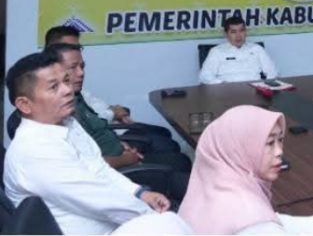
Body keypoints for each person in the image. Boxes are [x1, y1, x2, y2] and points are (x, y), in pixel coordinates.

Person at [3, 50, 180, 234]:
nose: (68, 90)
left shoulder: (67, 122)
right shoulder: (34, 150)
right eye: (54, 87)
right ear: (25, 104)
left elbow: (99, 169)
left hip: (113, 223)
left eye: (66, 81)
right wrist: (152, 216)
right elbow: (101, 201)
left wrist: (140, 193)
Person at [179, 105, 313, 234]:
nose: (280, 151)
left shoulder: (212, 190)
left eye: (280, 140)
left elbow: (274, 222)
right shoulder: (247, 213)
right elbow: (261, 225)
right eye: (270, 143)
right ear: (240, 149)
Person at [45, 42, 191, 200]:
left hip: (120, 157)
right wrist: (126, 159)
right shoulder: (63, 111)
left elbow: (97, 132)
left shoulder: (77, 97)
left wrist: (120, 144)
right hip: (116, 173)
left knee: (179, 160)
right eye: (73, 67)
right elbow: (91, 166)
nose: (81, 73)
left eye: (82, 66)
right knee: (185, 174)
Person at [44, 24, 180, 152]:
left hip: (112, 132)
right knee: (171, 149)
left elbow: (92, 105)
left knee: (164, 134)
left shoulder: (77, 88)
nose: (75, 51)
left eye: (77, 47)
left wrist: (115, 110)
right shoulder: (58, 95)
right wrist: (113, 114)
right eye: (69, 47)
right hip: (109, 141)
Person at [200, 15, 278, 84]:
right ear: (226, 34)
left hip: (255, 90)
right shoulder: (216, 51)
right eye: (233, 32)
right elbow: (205, 76)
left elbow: (272, 72)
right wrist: (222, 84)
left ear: (246, 32)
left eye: (241, 31)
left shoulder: (257, 49)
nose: (238, 36)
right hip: (227, 91)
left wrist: (266, 86)